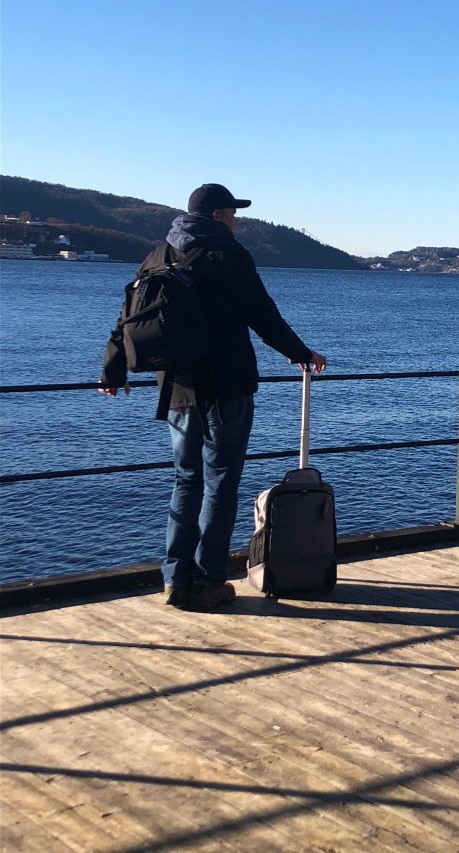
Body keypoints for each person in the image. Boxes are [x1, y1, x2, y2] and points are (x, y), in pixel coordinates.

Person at [99, 183, 326, 612]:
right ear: (219, 215)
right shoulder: (228, 255)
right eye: (233, 213)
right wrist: (302, 354)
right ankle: (207, 581)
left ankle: (174, 579)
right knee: (220, 484)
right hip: (226, 388)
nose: (237, 220)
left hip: (176, 389)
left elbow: (127, 316)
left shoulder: (158, 255)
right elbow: (262, 313)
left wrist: (113, 369)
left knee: (186, 481)